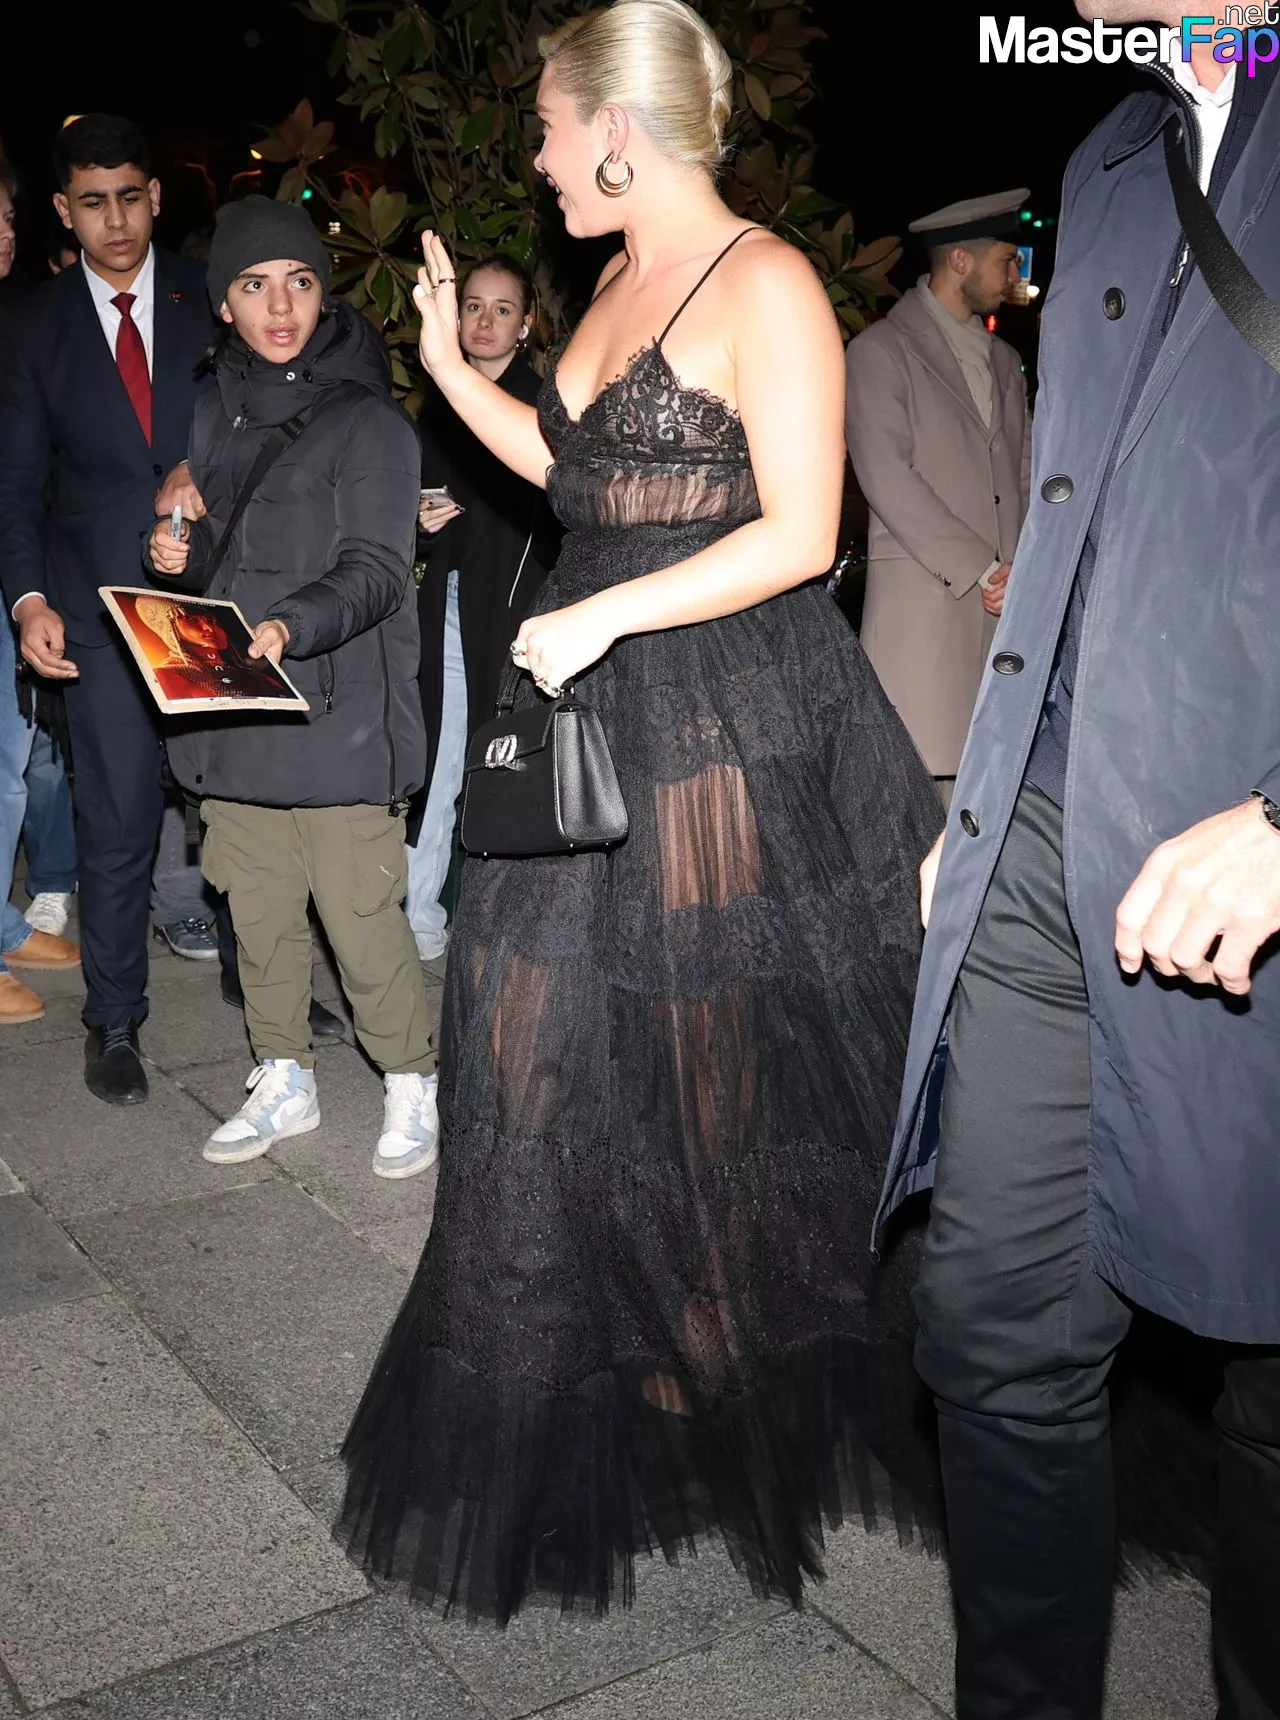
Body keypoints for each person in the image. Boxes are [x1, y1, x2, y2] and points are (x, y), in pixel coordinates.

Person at [338, 0, 943, 1624]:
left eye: (549, 129)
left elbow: (804, 533)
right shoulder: (611, 284)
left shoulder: (767, 280)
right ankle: (590, 1363)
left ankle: (718, 1380)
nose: (537, 161)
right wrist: (444, 362)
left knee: (705, 1065)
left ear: (615, 125)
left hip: (722, 724)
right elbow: (567, 471)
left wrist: (605, 614)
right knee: (526, 1046)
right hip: (583, 716)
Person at [879, 12, 1280, 1719]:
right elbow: (1075, 518)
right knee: (996, 1329)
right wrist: (986, 810)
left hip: (1255, 828)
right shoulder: (1112, 160)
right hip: (1057, 826)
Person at [147, 195, 438, 1178]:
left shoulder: (367, 420)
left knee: (359, 918)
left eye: (300, 281)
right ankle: (284, 1075)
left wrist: (288, 624)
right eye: (255, 284)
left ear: (325, 291)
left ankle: (409, 1078)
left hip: (337, 710)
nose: (280, 306)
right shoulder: (213, 410)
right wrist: (172, 556)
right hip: (236, 707)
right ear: (222, 303)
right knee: (259, 914)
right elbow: (216, 559)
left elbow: (376, 570)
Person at [0, 115, 216, 1102]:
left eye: (131, 196)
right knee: (117, 816)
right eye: (94, 202)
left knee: (242, 811)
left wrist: (206, 470)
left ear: (155, 196)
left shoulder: (212, 294)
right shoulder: (30, 325)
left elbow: (275, 408)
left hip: (214, 598)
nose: (116, 219)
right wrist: (28, 600)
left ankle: (271, 990)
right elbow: (16, 485)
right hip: (95, 611)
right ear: (63, 210)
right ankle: (115, 1019)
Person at [845, 192, 1031, 809]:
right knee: (913, 815)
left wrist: (1024, 569)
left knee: (993, 807)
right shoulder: (879, 350)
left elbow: (1025, 475)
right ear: (959, 261)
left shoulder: (1006, 360)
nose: (1016, 272)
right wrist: (984, 567)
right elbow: (885, 475)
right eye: (1007, 258)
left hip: (1003, 617)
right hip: (926, 614)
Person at [407, 253, 560, 961]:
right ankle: (419, 921)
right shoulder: (439, 403)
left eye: (503, 309)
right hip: (450, 601)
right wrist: (418, 518)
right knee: (439, 759)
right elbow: (416, 502)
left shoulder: (544, 407)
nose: (485, 321)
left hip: (522, 615)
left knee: (507, 763)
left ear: (525, 325)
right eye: (473, 306)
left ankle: (501, 927)